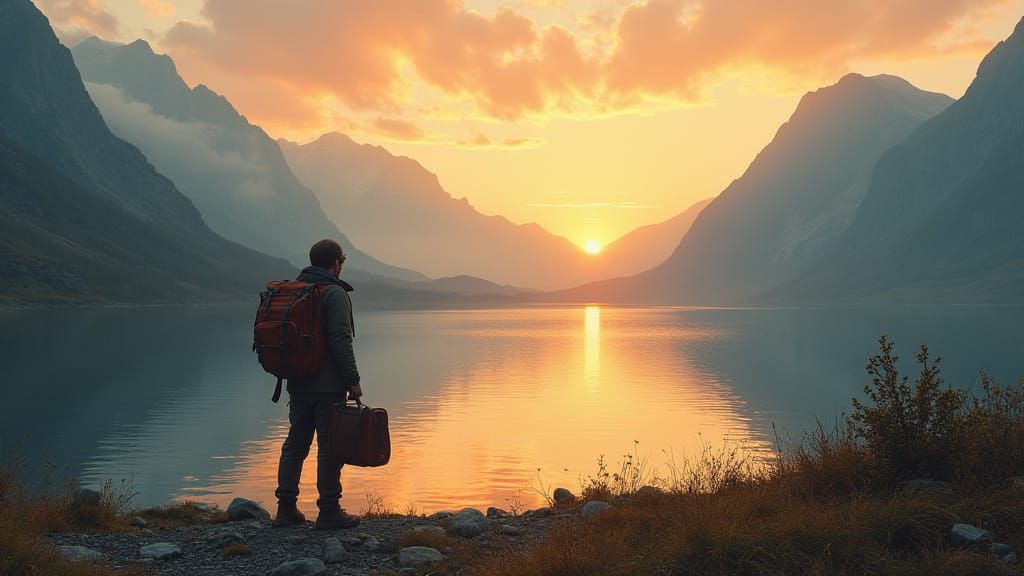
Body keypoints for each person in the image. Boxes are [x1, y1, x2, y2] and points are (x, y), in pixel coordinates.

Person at [274, 239, 363, 529]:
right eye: (341, 263)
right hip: (328, 386)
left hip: (297, 382)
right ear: (336, 263)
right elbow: (340, 340)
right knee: (329, 447)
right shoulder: (333, 293)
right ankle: (329, 511)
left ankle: (285, 508)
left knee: (295, 444)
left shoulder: (297, 290)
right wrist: (353, 381)